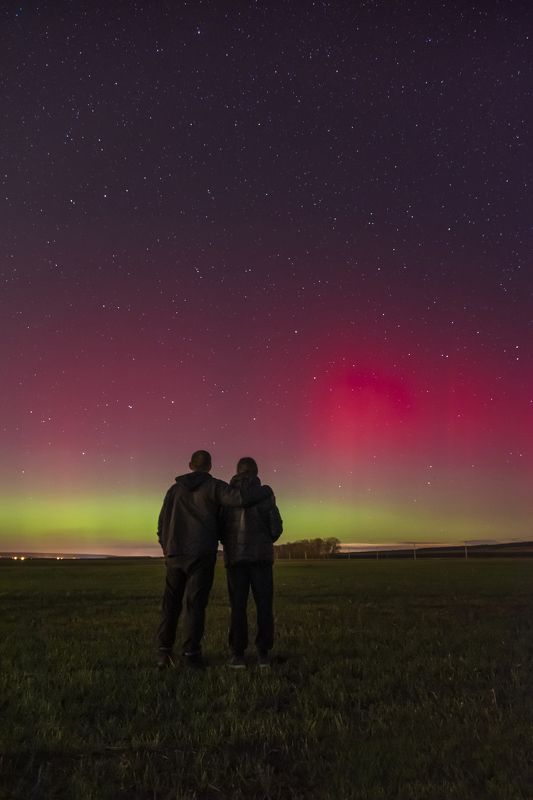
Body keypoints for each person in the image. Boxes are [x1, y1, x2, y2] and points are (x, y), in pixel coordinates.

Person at [156, 449, 272, 669]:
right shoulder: (215, 487)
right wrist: (265, 490)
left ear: (190, 464)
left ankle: (163, 652)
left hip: (175, 554)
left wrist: (166, 548)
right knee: (195, 605)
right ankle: (191, 654)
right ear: (209, 466)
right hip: (201, 553)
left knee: (170, 604)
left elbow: (162, 522)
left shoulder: (173, 490)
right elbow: (240, 499)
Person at [220, 457, 283, 669]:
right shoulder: (266, 494)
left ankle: (237, 654)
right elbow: (276, 529)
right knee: (264, 605)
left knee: (237, 607)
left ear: (237, 472)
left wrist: (230, 542)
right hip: (261, 558)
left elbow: (219, 527)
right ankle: (263, 653)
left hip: (235, 559)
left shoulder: (227, 495)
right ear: (256, 472)